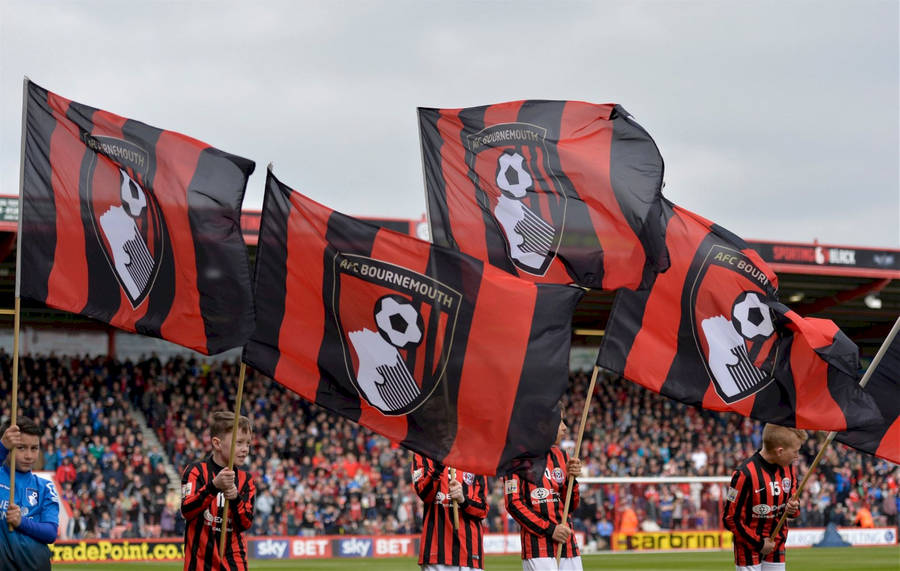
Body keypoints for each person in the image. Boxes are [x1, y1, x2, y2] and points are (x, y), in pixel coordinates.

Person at [505, 411, 583, 571]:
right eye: (560, 422)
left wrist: (571, 480)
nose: (565, 428)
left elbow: (572, 505)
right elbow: (513, 504)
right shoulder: (516, 459)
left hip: (568, 545)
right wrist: (550, 529)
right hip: (538, 548)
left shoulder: (563, 456)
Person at [723, 423, 805, 571]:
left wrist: (793, 507)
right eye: (795, 451)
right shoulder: (744, 474)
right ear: (780, 451)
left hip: (777, 544)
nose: (796, 456)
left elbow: (795, 509)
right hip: (748, 548)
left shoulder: (790, 469)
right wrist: (759, 543)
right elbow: (729, 518)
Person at [181, 411, 256, 571]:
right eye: (239, 443)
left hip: (235, 564)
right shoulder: (195, 471)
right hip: (199, 564)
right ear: (217, 443)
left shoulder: (246, 480)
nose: (245, 449)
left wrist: (235, 498)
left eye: (248, 443)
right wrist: (214, 486)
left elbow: (246, 523)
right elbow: (187, 511)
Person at [0, 417, 60, 571]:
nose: (29, 456)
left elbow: (51, 533)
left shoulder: (45, 487)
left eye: (34, 448)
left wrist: (22, 522)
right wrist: (1, 447)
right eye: (21, 448)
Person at [412, 452, 488, 571]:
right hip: (436, 552)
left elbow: (483, 510)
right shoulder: (423, 453)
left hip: (469, 552)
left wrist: (463, 500)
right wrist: (439, 466)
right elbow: (424, 494)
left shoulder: (476, 457)